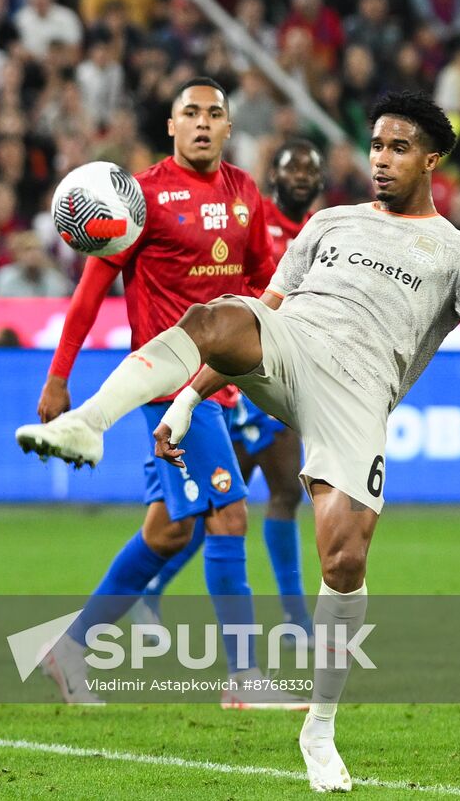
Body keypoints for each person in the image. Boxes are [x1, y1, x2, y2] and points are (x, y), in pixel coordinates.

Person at [15, 90, 460, 790]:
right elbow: (258, 317)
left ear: (431, 158)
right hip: (293, 346)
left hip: (359, 395)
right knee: (218, 315)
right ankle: (87, 424)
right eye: (374, 146)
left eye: (397, 148)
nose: (380, 160)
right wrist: (187, 398)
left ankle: (319, 729)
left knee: (342, 557)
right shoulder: (330, 224)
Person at [19, 77, 295, 708]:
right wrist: (59, 374)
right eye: (189, 113)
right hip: (165, 387)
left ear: (229, 128)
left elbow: (260, 278)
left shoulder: (246, 194)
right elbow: (89, 293)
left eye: (214, 114)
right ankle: (245, 681)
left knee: (173, 529)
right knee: (229, 512)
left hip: (221, 388)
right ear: (171, 127)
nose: (202, 123)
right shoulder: (136, 198)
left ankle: (70, 647)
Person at [136, 139, 324, 636]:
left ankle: (295, 617)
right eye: (292, 167)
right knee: (213, 508)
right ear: (275, 178)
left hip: (281, 377)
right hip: (234, 378)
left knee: (283, 491)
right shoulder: (249, 219)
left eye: (310, 168)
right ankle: (151, 595)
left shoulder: (322, 233)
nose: (301, 175)